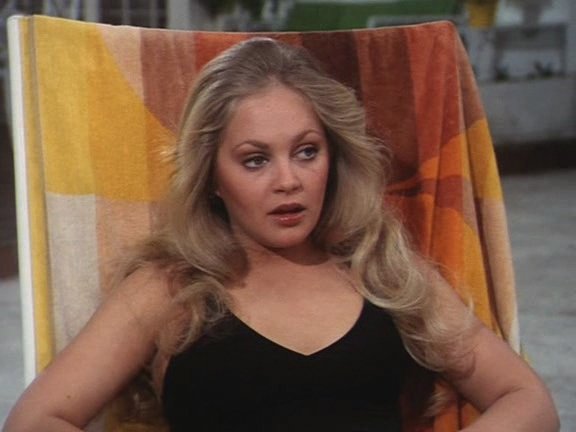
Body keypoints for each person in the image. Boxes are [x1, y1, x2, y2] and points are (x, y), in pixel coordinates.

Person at [3, 38, 559, 432]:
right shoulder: (171, 288)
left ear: (333, 157)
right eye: (255, 160)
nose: (288, 180)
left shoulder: (381, 269)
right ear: (211, 176)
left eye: (306, 152)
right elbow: (36, 419)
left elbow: (528, 400)